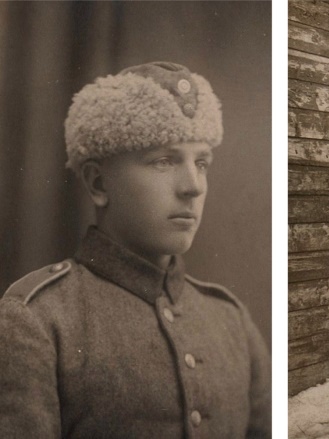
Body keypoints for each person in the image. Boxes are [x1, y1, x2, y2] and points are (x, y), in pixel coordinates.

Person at [0, 62, 271, 438]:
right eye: (164, 161)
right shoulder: (39, 322)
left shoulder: (231, 321)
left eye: (202, 163)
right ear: (98, 182)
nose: (193, 186)